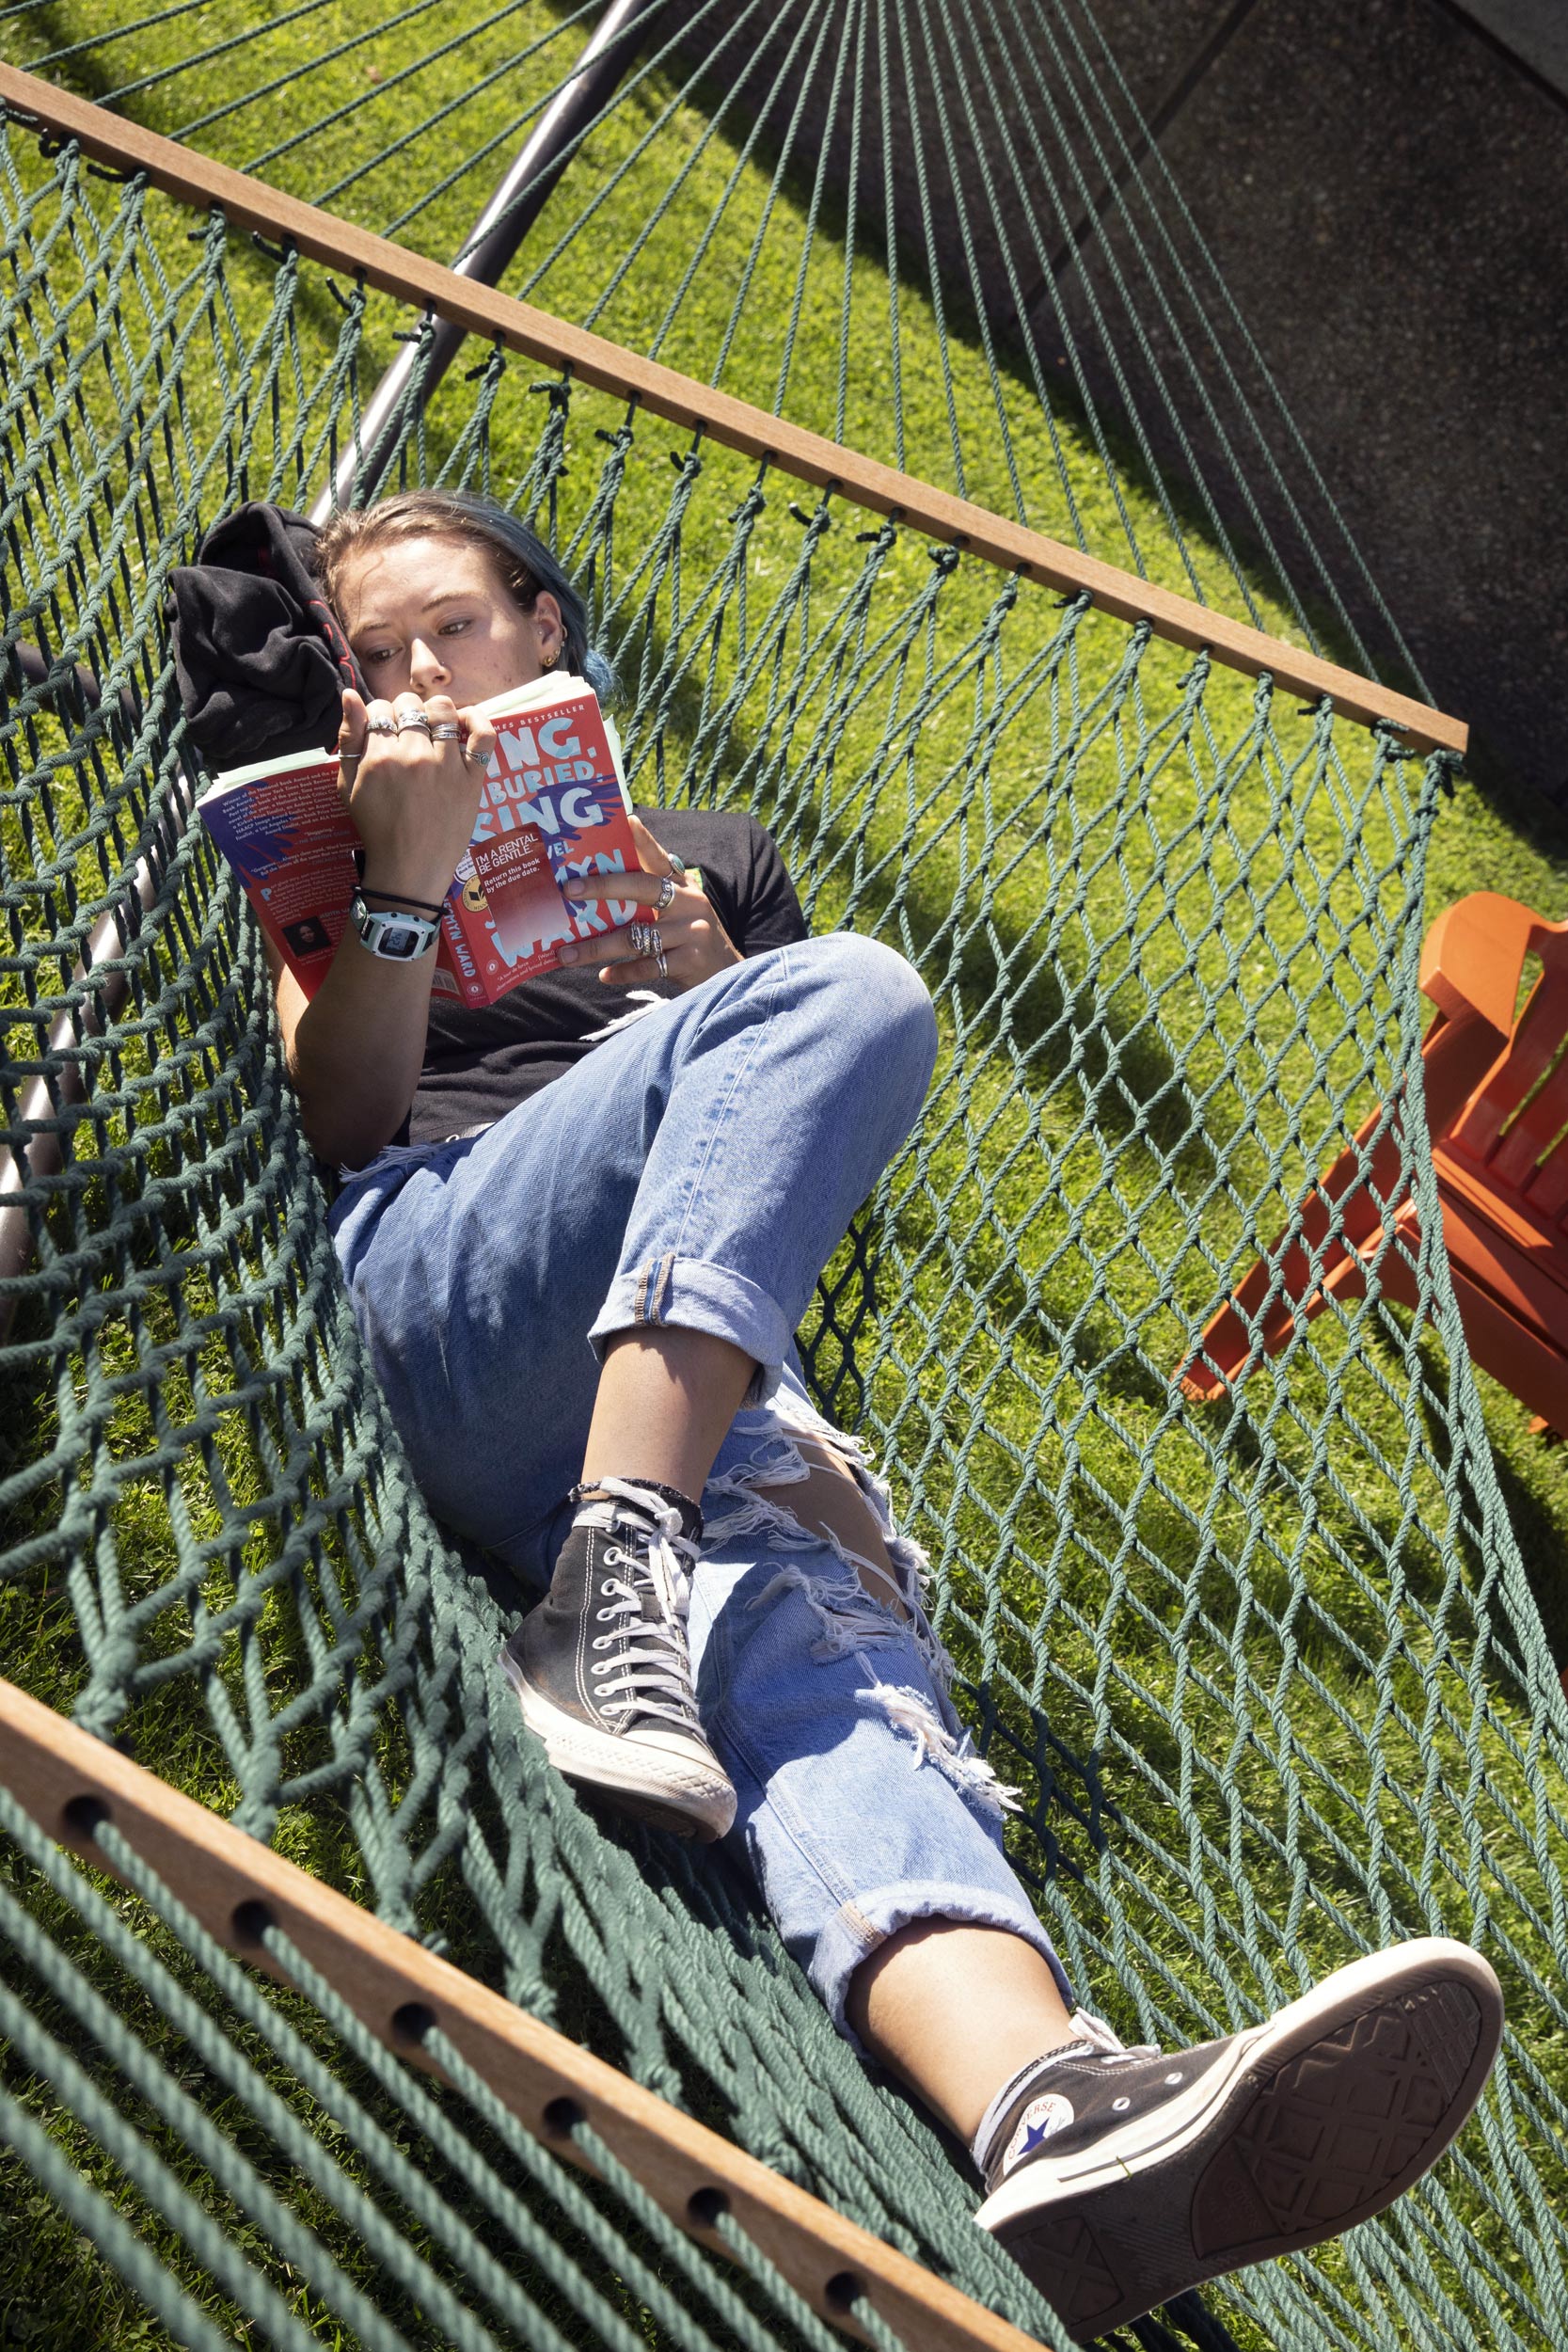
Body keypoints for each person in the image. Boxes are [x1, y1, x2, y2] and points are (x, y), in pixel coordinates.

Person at [244, 487, 1501, 2343]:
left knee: (819, 1643)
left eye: (451, 626)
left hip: (680, 1405)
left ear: (545, 626)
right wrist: (407, 880)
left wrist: (707, 995)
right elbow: (335, 1121)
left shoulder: (713, 854)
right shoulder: (337, 835)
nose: (419, 669)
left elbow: (790, 1184)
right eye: (375, 654)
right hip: (442, 1294)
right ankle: (616, 1583)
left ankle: (1044, 2108)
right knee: (851, 1000)